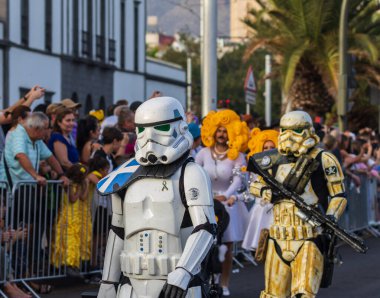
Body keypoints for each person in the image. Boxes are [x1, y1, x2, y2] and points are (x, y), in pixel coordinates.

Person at [97, 96, 216, 298]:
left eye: (160, 128)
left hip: (177, 286)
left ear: (180, 128)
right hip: (130, 283)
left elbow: (205, 227)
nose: (149, 138)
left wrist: (184, 271)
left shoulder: (191, 173)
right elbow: (118, 231)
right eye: (142, 130)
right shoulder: (123, 175)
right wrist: (108, 282)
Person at [248, 111, 347, 298]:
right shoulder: (272, 158)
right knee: (271, 295)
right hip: (277, 236)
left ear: (308, 131)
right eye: (285, 130)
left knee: (303, 294)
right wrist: (264, 191)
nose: (289, 135)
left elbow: (339, 195)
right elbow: (255, 182)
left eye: (297, 130)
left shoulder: (324, 159)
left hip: (309, 237)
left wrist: (331, 217)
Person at [195, 109, 250, 296]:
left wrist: (225, 195)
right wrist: (206, 196)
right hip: (206, 202)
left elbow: (238, 180)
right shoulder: (202, 153)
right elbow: (195, 175)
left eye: (225, 131)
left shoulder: (237, 155)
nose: (221, 134)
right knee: (204, 244)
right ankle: (206, 280)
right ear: (212, 132)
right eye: (218, 130)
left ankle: (224, 282)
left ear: (232, 133)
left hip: (228, 204)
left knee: (226, 247)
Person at [242, 128, 278, 253]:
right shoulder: (255, 167)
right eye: (265, 147)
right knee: (262, 252)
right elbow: (251, 189)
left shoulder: (283, 167)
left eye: (272, 147)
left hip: (277, 211)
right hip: (260, 211)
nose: (268, 150)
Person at [51, 163, 92, 276]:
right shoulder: (68, 185)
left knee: (75, 240)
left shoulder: (78, 185)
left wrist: (85, 186)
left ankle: (74, 264)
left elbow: (83, 198)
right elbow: (73, 199)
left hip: (75, 216)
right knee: (66, 240)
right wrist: (79, 188)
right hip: (67, 216)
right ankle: (65, 264)